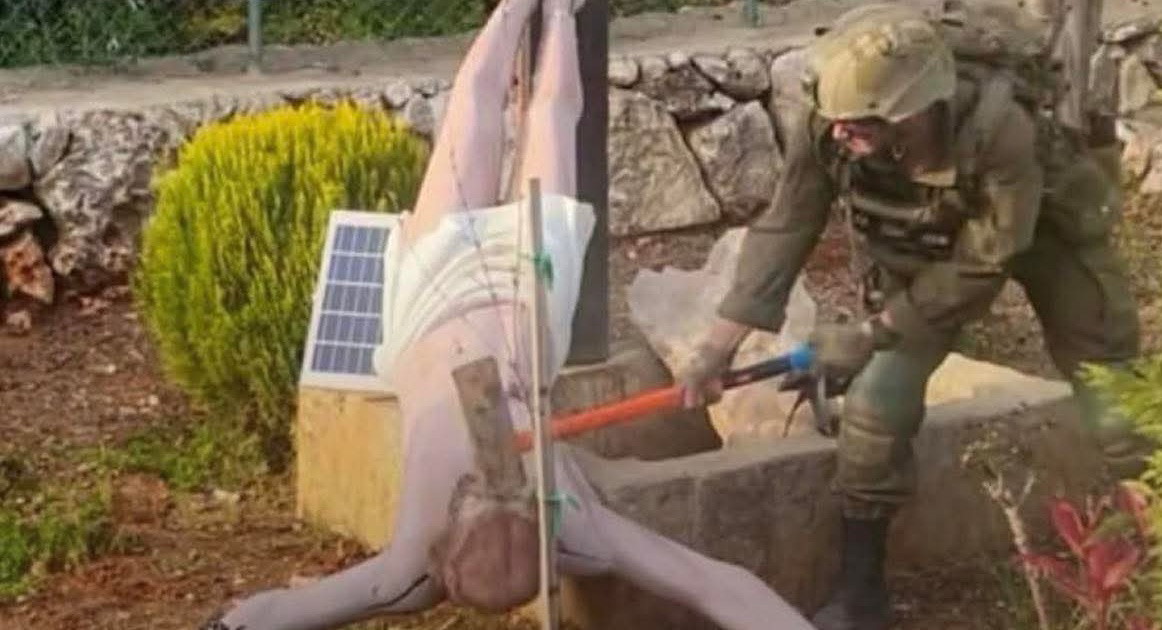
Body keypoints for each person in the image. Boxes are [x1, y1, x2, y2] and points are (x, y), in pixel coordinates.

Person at [201, 0, 815, 628]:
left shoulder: (407, 568)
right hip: (527, 289)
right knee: (547, 116)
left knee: (476, 110)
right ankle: (556, 11)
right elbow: (716, 584)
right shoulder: (577, 531)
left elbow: (272, 614)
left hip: (434, 294)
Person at [677, 4, 1145, 630]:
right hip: (925, 248)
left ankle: (1150, 543)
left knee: (1112, 391)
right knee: (875, 407)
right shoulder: (831, 120)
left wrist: (871, 331)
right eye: (836, 121)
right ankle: (862, 596)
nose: (840, 134)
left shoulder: (999, 129)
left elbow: (987, 261)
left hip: (1044, 234)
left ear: (913, 112)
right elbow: (786, 226)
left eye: (859, 124)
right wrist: (717, 347)